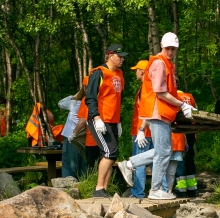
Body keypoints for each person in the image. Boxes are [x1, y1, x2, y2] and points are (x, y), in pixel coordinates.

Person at [116, 32, 195, 200]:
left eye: (173, 49)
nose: (171, 52)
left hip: (161, 112)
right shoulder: (159, 64)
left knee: (163, 151)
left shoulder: (165, 63)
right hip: (157, 111)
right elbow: (160, 92)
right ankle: (155, 189)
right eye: (168, 49)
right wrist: (182, 104)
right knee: (164, 151)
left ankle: (130, 164)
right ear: (161, 46)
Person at [84, 44, 128, 198]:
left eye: (123, 56)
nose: (122, 59)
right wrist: (96, 118)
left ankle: (104, 190)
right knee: (110, 151)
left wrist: (119, 121)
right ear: (110, 56)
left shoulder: (119, 74)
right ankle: (98, 188)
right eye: (119, 56)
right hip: (99, 119)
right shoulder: (98, 73)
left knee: (111, 154)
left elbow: (118, 99)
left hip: (113, 120)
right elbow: (90, 98)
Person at [129, 60, 153, 198]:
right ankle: (160, 189)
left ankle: (138, 193)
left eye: (136, 70)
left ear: (142, 71)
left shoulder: (145, 88)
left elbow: (146, 110)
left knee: (139, 162)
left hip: (142, 133)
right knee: (155, 162)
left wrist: (141, 130)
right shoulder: (147, 87)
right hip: (148, 131)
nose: (135, 73)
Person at [58, 87, 88, 179]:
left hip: (71, 135)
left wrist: (76, 95)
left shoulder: (75, 103)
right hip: (85, 137)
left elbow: (60, 103)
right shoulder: (93, 104)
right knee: (83, 163)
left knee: (69, 164)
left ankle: (68, 186)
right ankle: (83, 184)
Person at [175, 90, 198, 197]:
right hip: (191, 131)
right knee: (189, 158)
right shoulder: (190, 96)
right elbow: (195, 112)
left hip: (178, 132)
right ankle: (193, 189)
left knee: (179, 159)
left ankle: (181, 190)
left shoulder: (172, 96)